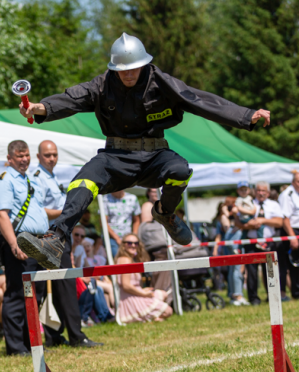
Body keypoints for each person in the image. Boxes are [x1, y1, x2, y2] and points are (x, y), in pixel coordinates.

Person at [16, 33, 271, 270]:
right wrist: (40, 108)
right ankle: (55, 238)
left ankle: (165, 213)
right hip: (114, 157)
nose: (128, 75)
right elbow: (71, 98)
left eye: (134, 69)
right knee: (82, 181)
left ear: (144, 64)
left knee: (180, 170)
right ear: (114, 68)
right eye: (122, 70)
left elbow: (199, 100)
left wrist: (247, 115)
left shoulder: (161, 82)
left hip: (154, 155)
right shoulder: (103, 84)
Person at [0, 140, 56, 356]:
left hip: (36, 241)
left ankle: (32, 343)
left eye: (26, 155)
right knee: (17, 295)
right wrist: (14, 244)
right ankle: (16, 347)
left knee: (33, 295)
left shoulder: (27, 179)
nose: (24, 159)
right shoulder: (5, 180)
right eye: (19, 156)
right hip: (19, 242)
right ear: (9, 158)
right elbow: (2, 215)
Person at [32, 139, 93, 347]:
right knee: (64, 284)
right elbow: (39, 210)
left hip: (58, 234)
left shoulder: (50, 176)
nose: (52, 159)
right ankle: (75, 336)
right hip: (48, 235)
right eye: (48, 155)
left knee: (60, 286)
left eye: (55, 155)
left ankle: (55, 336)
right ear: (38, 157)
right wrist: (69, 211)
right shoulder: (38, 178)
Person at [233, 182, 284, 305]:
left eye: (264, 191)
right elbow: (238, 222)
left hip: (268, 242)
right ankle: (253, 298)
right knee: (252, 272)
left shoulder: (273, 204)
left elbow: (279, 222)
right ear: (255, 191)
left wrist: (263, 220)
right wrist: (249, 225)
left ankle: (272, 297)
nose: (261, 193)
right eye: (259, 190)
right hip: (251, 242)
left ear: (268, 192)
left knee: (270, 272)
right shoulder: (248, 202)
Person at [115, 234, 172, 323]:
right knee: (168, 311)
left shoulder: (130, 259)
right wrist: (143, 293)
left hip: (136, 294)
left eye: (136, 243)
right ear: (123, 246)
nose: (133, 245)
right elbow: (126, 286)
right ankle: (151, 318)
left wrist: (143, 290)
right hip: (130, 300)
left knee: (163, 294)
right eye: (129, 243)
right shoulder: (125, 260)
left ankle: (151, 318)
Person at [212, 199, 247, 306]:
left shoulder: (233, 217)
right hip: (232, 247)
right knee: (236, 271)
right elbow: (227, 230)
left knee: (234, 271)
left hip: (233, 246)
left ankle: (234, 294)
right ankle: (237, 295)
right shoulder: (224, 218)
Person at [104, 190, 141, 258]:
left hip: (128, 239)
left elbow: (137, 221)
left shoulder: (132, 198)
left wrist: (133, 237)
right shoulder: (105, 199)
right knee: (119, 258)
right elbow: (103, 223)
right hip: (112, 238)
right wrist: (117, 239)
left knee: (137, 257)